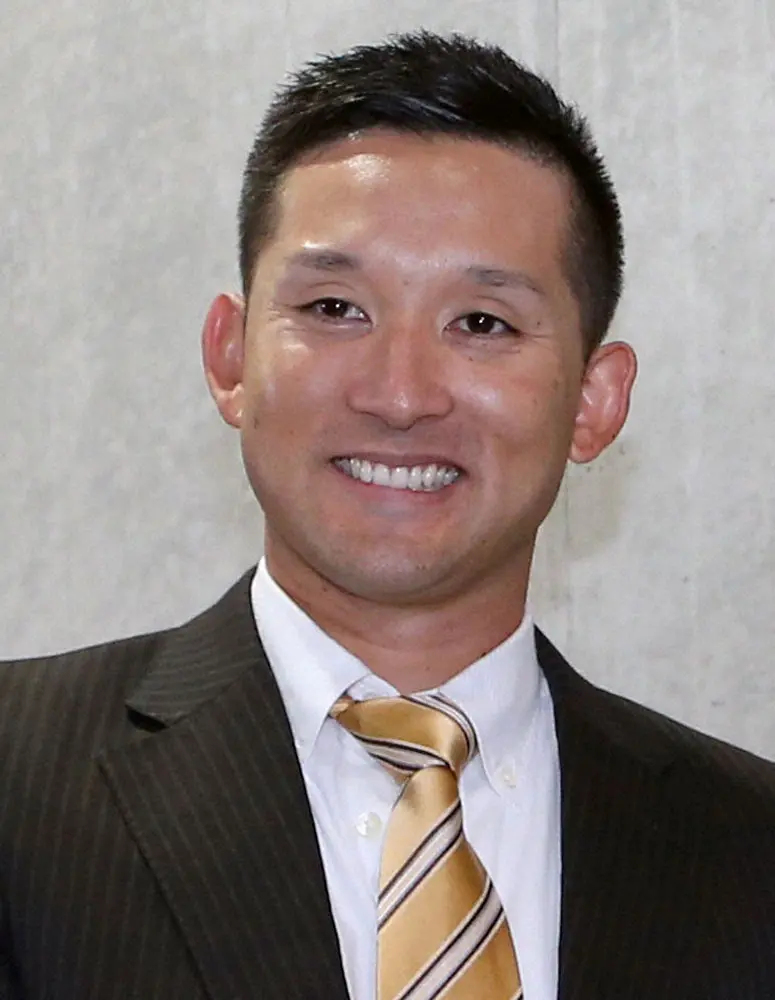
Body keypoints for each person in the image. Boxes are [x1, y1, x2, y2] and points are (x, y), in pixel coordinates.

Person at [0, 30, 773, 1000]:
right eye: (335, 309)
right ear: (231, 357)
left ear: (593, 401)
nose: (399, 395)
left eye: (481, 323)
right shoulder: (20, 779)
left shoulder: (747, 850)